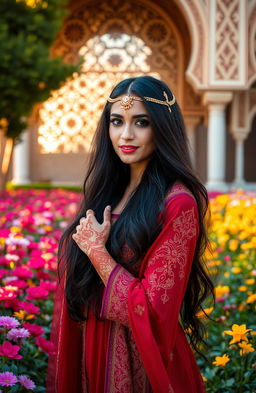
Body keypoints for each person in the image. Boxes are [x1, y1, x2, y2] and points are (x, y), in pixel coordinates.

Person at [46, 75, 215, 393]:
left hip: (143, 363)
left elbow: (152, 313)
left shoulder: (178, 204)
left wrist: (97, 253)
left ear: (162, 127)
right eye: (116, 121)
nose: (126, 134)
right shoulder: (107, 192)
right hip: (93, 347)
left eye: (141, 122)